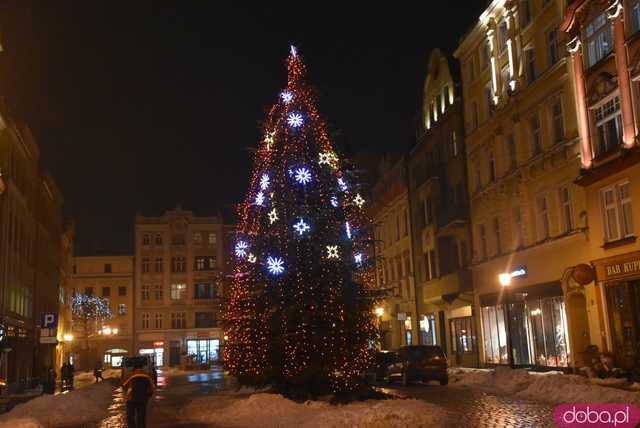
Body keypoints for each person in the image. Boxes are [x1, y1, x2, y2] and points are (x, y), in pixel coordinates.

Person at [122, 360, 155, 428]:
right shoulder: (147, 375)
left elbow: (124, 385)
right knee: (141, 416)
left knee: (131, 416)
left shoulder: (131, 374)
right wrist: (148, 395)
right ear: (142, 367)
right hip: (143, 399)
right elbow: (152, 387)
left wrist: (127, 392)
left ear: (134, 367)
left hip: (131, 399)